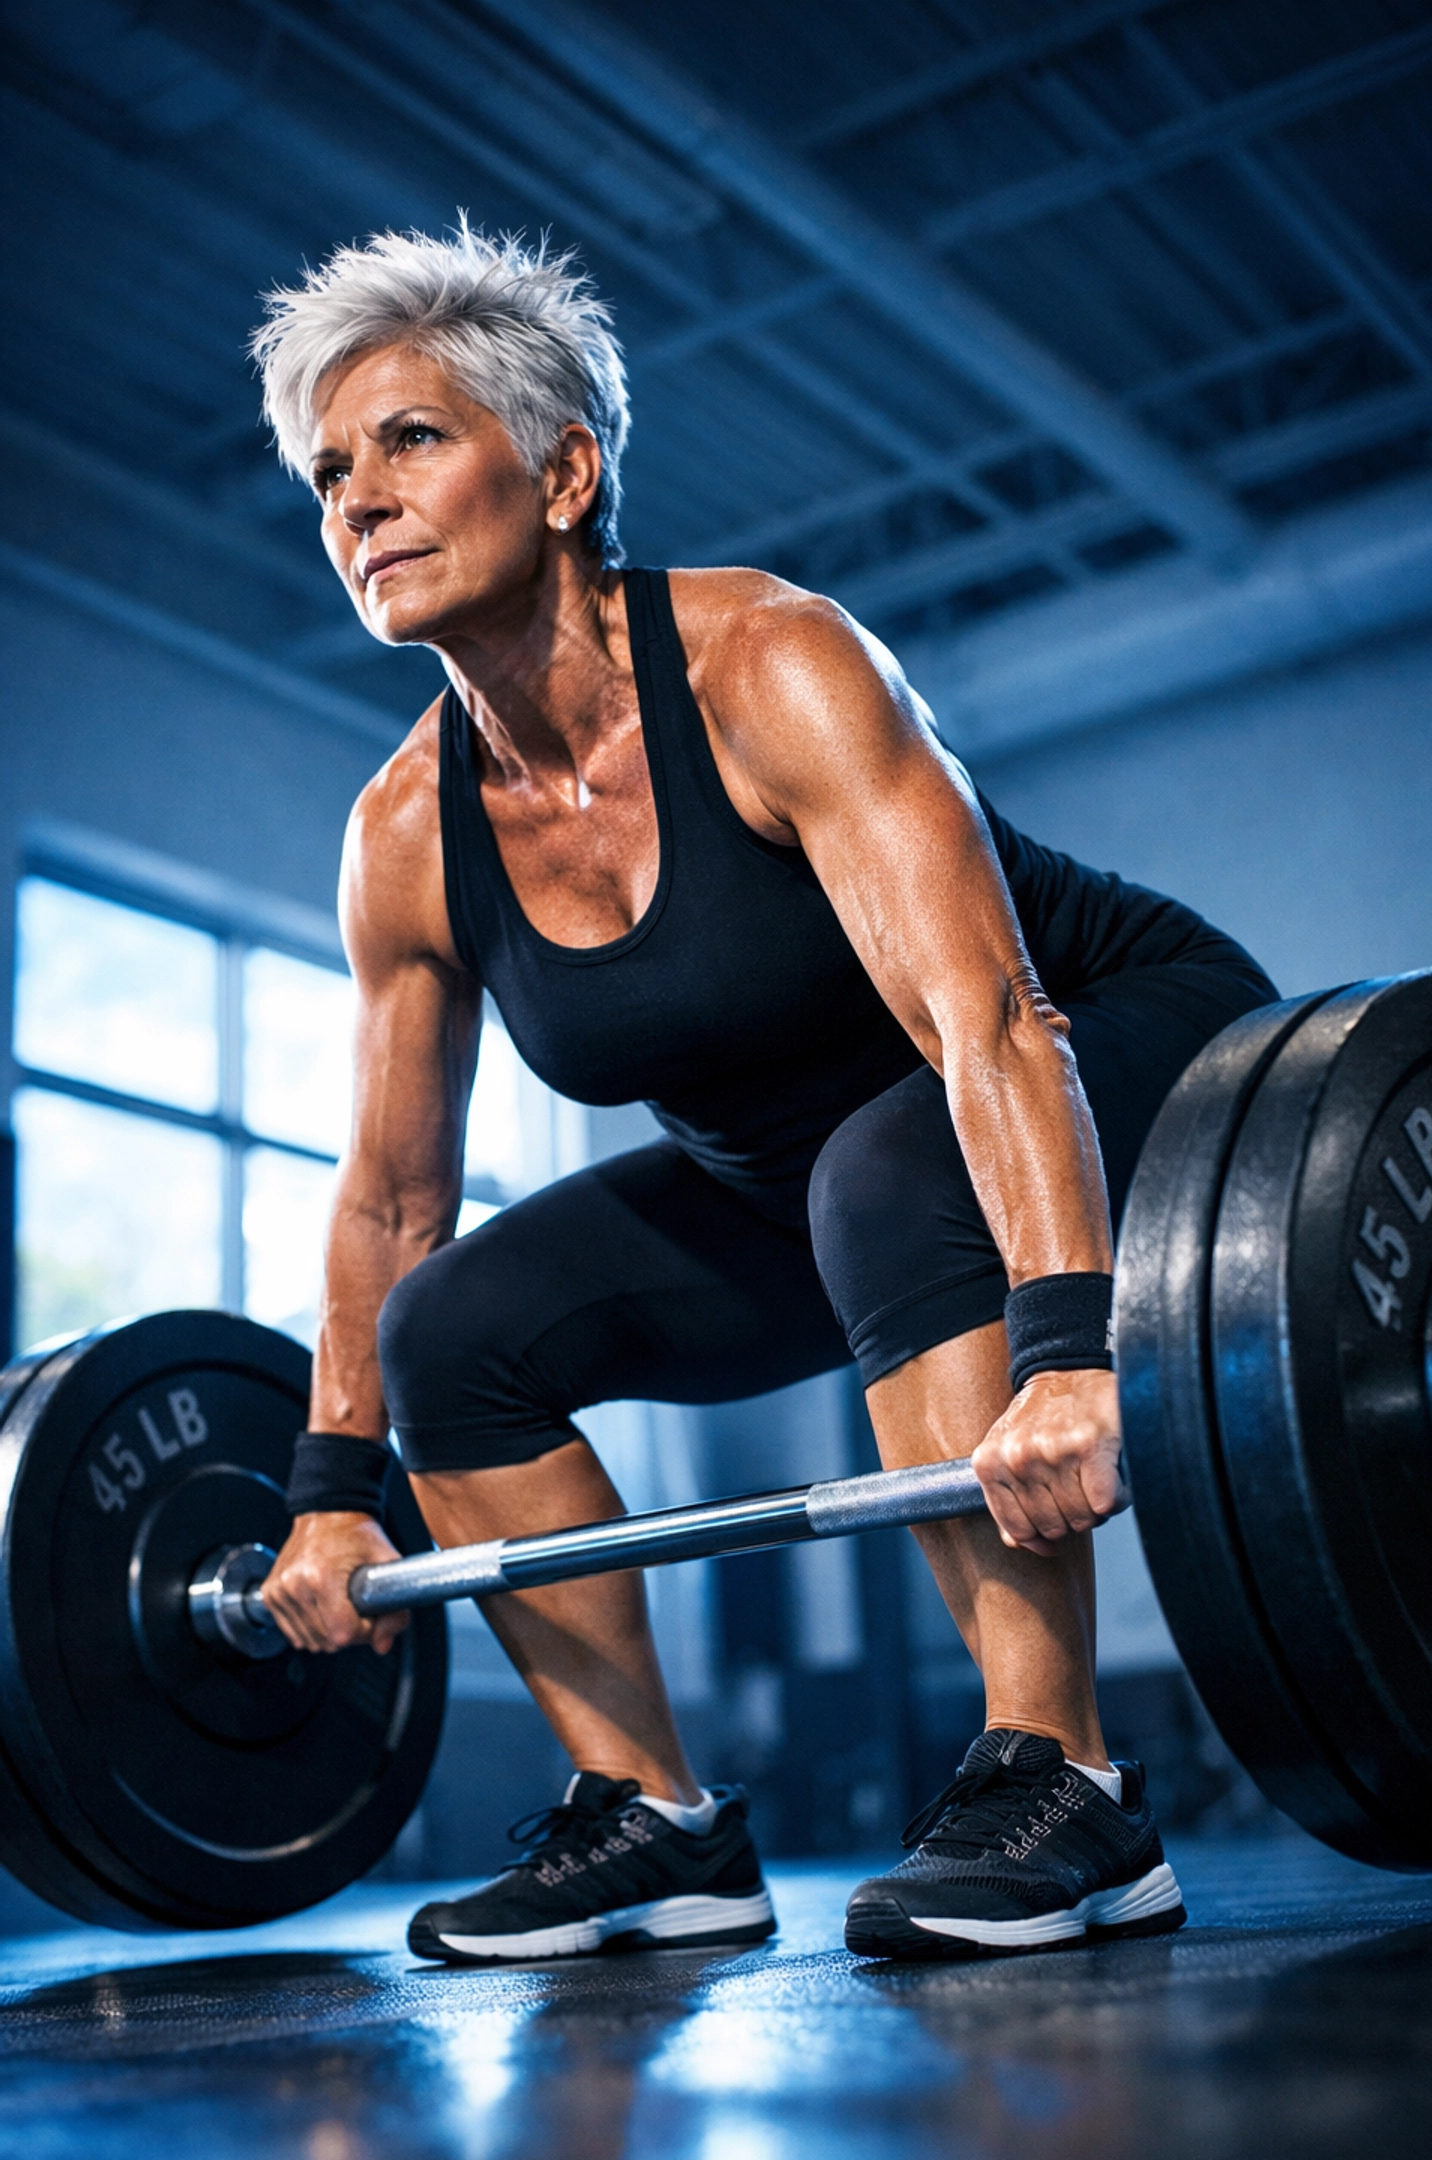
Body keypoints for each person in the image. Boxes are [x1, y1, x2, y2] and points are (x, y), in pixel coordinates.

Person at [254, 225, 1277, 1964]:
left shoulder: (765, 665)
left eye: (411, 441)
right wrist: (331, 1481)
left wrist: (1068, 1347)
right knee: (456, 1329)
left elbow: (989, 1022)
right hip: (814, 1177)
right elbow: (390, 1197)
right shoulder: (405, 836)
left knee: (892, 1168)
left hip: (1118, 1046)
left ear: (565, 470)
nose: (360, 500)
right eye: (332, 471)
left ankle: (1074, 1787)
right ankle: (652, 1822)